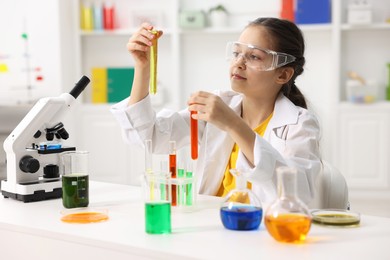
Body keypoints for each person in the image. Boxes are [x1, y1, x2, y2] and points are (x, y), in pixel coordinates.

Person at [111, 17, 322, 208]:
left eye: (254, 57)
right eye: (237, 53)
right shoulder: (221, 106)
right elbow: (150, 137)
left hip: (258, 229)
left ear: (283, 74)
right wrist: (142, 67)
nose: (239, 63)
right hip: (210, 221)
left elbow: (296, 195)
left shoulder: (300, 124)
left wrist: (232, 124)